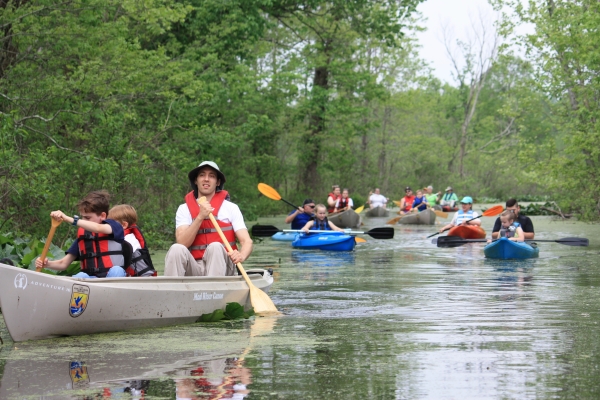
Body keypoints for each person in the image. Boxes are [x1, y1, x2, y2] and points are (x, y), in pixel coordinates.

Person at [164, 161, 252, 277]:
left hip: (224, 267)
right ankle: (172, 292)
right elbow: (182, 242)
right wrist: (200, 216)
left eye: (211, 176)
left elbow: (247, 241)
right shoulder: (183, 209)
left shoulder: (231, 208)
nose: (206, 179)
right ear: (196, 180)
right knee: (176, 249)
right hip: (195, 267)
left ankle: (214, 291)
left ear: (218, 182)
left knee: (215, 246)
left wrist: (241, 255)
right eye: (202, 175)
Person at [34, 190, 128, 279]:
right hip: (91, 281)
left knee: (117, 270)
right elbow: (63, 263)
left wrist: (68, 219)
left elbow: (98, 228)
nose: (83, 221)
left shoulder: (114, 226)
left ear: (103, 216)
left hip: (111, 279)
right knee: (80, 275)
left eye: (87, 218)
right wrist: (47, 264)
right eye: (82, 217)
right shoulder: (84, 236)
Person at [108, 204, 157, 277]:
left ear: (124, 225)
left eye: (112, 224)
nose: (109, 226)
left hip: (143, 278)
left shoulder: (129, 239)